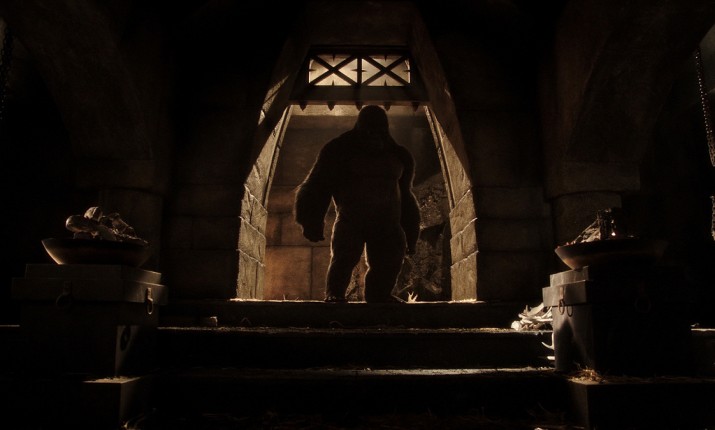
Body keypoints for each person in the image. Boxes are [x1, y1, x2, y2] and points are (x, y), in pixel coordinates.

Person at [294, 105, 421, 303]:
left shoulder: (399, 155)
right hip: (351, 219)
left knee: (390, 260)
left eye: (378, 131)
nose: (373, 137)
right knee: (344, 259)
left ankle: (379, 296)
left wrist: (411, 232)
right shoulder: (339, 149)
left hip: (388, 221)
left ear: (385, 130)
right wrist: (311, 221)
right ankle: (334, 294)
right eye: (369, 130)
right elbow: (317, 185)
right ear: (360, 128)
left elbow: (405, 195)